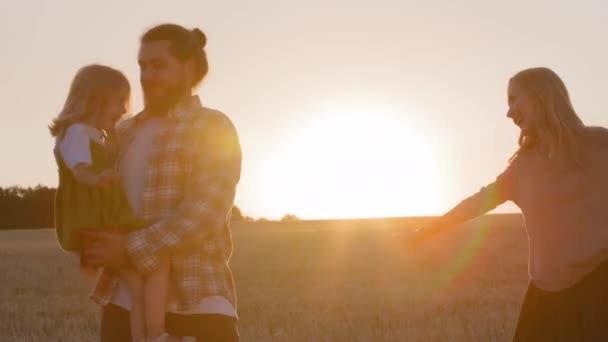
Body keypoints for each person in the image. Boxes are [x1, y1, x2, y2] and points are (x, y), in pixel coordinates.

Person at [404, 67, 608, 341]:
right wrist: (425, 232)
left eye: (514, 99)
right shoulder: (521, 168)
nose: (509, 112)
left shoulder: (601, 145)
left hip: (599, 292)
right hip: (545, 297)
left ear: (540, 96)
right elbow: (474, 204)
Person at [82, 23, 242, 341]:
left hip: (197, 303)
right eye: (142, 66)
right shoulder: (120, 134)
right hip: (121, 306)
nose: (146, 75)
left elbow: (205, 212)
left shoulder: (213, 126)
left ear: (188, 67)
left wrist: (128, 249)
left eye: (158, 65)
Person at [50, 64, 178, 342]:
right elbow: (79, 169)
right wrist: (98, 179)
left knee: (135, 280)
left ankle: (145, 336)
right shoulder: (77, 133)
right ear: (95, 99)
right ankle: (155, 334)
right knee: (156, 256)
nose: (123, 109)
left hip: (101, 214)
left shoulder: (94, 134)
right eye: (119, 101)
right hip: (95, 217)